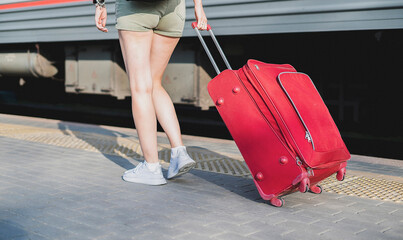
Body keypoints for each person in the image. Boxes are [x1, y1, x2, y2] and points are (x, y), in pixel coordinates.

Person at [94, 0, 208, 185]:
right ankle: (179, 152)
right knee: (154, 83)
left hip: (135, 10)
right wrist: (198, 6)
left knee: (141, 87)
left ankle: (151, 167)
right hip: (174, 10)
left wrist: (99, 4)